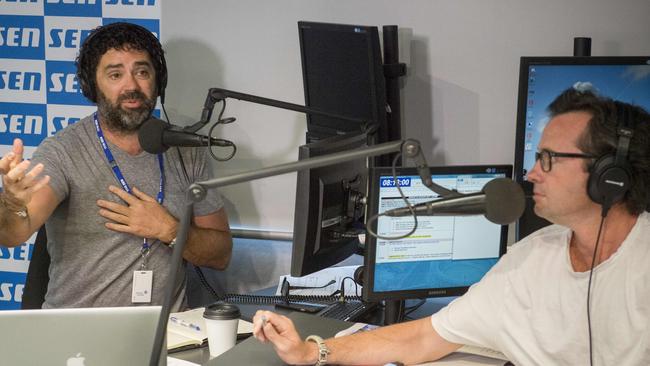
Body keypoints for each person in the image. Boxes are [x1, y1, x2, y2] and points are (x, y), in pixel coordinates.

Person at [252, 87, 650, 365]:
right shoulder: (532, 259)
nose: (532, 174)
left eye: (548, 159)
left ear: (608, 174)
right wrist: (313, 352)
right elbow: (426, 336)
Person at [0, 22, 232, 309]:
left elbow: (221, 254)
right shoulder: (63, 151)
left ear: (157, 82)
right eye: (115, 74)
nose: (132, 86)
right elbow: (12, 234)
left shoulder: (185, 150)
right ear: (91, 86)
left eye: (142, 72)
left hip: (167, 337)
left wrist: (170, 230)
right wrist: (11, 203)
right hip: (80, 340)